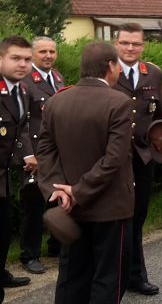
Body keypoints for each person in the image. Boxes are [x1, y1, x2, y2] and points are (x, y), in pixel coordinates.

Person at [36, 41, 134, 303]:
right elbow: (114, 158)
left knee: (72, 275)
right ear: (111, 66)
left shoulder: (57, 100)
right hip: (110, 206)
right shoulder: (119, 102)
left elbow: (44, 152)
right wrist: (78, 191)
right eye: (119, 66)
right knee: (108, 276)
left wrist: (57, 190)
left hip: (69, 206)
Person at [112, 22, 162, 296]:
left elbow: (160, 116)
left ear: (143, 46)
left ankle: (135, 274)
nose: (130, 48)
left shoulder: (153, 73)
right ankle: (116, 276)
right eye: (125, 43)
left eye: (136, 44)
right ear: (116, 45)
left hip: (143, 158)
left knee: (138, 217)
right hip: (114, 161)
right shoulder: (107, 72)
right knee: (118, 219)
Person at [20, 36, 65, 273]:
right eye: (43, 52)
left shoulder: (57, 78)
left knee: (57, 200)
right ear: (33, 54)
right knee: (34, 205)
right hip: (36, 154)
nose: (48, 56)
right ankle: (29, 255)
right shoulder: (26, 80)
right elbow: (22, 122)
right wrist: (28, 154)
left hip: (56, 152)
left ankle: (55, 245)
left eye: (52, 51)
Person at [0, 37, 34, 295]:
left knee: (4, 225)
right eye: (15, 58)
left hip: (4, 174)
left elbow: (20, 129)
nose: (23, 64)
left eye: (26, 59)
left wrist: (26, 156)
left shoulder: (21, 90)